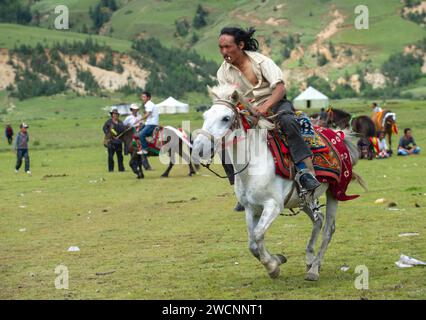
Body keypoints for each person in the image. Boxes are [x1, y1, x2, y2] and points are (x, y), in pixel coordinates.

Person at [217, 27, 320, 191]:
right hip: (247, 110)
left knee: (288, 121)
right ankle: (239, 186)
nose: (224, 51)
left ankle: (305, 171)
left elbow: (280, 89)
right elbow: (229, 100)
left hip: (275, 103)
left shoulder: (262, 62)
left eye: (228, 46)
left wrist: (264, 107)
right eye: (221, 48)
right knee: (223, 138)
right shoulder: (223, 72)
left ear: (241, 45)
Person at [103, 107, 126, 172]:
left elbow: (123, 130)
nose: (115, 115)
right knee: (110, 156)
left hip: (119, 141)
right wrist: (109, 135)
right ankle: (111, 169)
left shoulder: (120, 122)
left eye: (116, 114)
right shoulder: (108, 122)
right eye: (114, 114)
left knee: (120, 156)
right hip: (111, 141)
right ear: (112, 114)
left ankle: (121, 169)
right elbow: (104, 129)